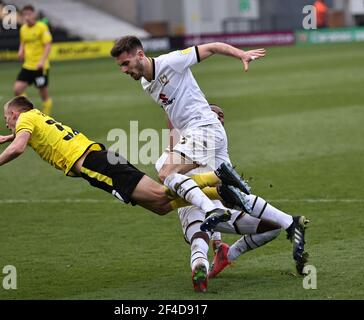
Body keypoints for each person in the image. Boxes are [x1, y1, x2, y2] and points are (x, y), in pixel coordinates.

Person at [110, 36, 309, 288]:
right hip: (202, 134)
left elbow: (212, 47)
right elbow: (171, 113)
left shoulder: (171, 61)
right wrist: (174, 147)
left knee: (166, 172)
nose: (124, 70)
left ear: (140, 55)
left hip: (204, 130)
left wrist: (241, 55)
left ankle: (212, 211)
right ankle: (289, 222)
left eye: (126, 63)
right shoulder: (145, 84)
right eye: (121, 66)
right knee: (233, 194)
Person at [0, 96, 243, 220]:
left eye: (7, 119)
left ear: (15, 114)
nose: (6, 124)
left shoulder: (26, 119)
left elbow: (19, 147)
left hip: (93, 164)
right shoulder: (36, 115)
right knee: (160, 207)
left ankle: (219, 182)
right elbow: (29, 138)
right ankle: (219, 190)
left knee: (160, 194)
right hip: (97, 158)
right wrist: (7, 137)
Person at [14, 5, 53, 116]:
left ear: (34, 14)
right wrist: (20, 50)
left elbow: (48, 45)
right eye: (24, 15)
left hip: (40, 67)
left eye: (29, 14)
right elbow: (23, 42)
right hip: (28, 65)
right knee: (17, 90)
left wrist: (42, 61)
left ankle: (46, 116)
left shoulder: (42, 27)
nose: (27, 17)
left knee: (43, 94)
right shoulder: (23, 29)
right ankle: (29, 110)